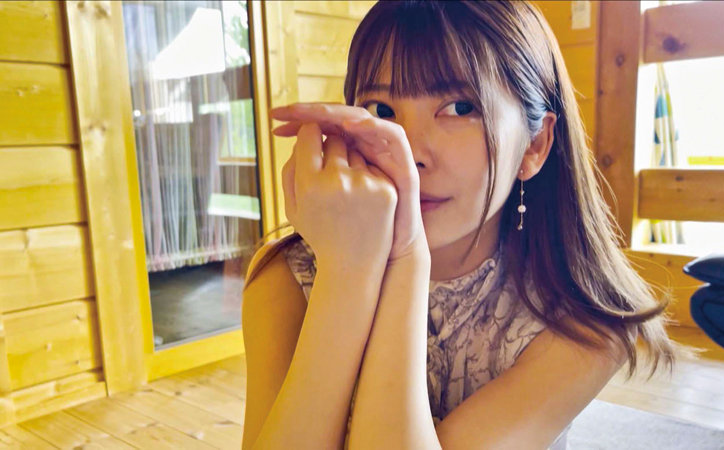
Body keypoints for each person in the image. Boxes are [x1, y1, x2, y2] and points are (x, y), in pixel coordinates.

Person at [241, 1, 685, 449]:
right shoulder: (286, 280)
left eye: (460, 107)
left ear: (534, 145)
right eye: (381, 109)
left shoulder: (584, 325)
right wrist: (347, 272)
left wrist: (404, 257)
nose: (412, 153)